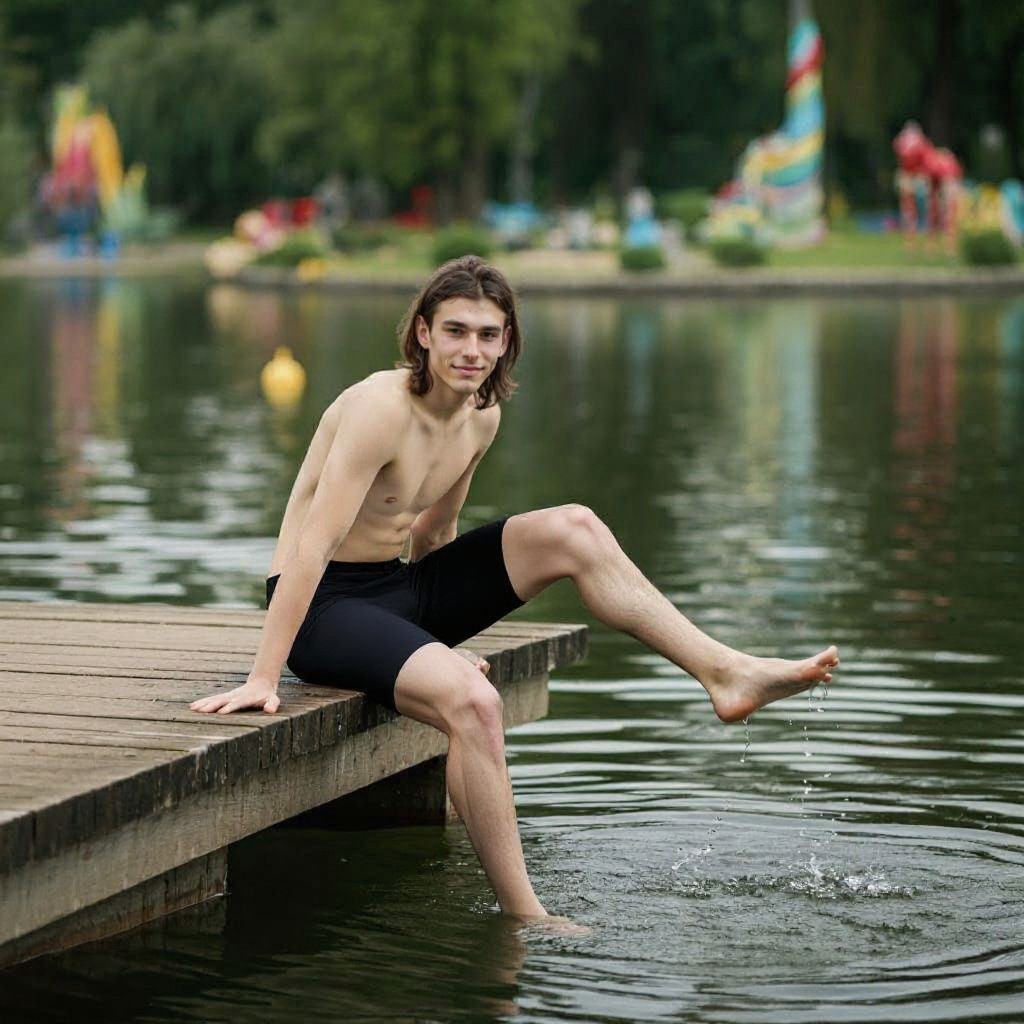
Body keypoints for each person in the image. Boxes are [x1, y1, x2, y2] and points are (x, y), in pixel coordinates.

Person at [190, 255, 839, 921]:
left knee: (576, 529)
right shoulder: (376, 410)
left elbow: (435, 536)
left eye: (489, 335)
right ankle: (528, 917)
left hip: (395, 589)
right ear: (422, 333)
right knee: (476, 702)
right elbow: (311, 549)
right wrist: (265, 676)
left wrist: (422, 644)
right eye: (456, 331)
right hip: (323, 608)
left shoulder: (481, 414)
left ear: (507, 342)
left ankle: (724, 673)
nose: (472, 350)